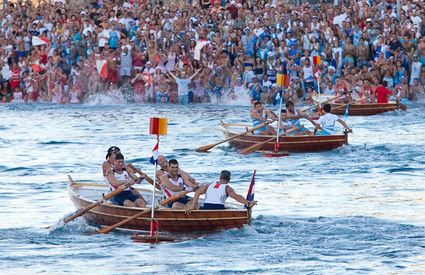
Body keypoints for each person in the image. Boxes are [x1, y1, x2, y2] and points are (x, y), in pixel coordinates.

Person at [186, 170, 256, 211]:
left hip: (206, 208)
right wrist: (248, 203)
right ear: (229, 180)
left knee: (191, 203)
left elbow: (197, 192)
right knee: (229, 209)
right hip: (218, 209)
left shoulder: (209, 184)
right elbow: (236, 197)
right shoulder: (227, 187)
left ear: (219, 177)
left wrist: (192, 206)